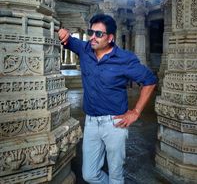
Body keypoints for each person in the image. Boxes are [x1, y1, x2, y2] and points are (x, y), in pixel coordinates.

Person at [58, 14, 157, 184]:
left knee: (116, 176)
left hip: (115, 124)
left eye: (99, 34)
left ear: (110, 38)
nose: (92, 38)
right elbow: (66, 38)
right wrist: (62, 32)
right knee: (90, 174)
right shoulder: (85, 49)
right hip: (91, 123)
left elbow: (150, 81)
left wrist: (136, 112)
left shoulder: (125, 59)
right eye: (91, 32)